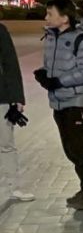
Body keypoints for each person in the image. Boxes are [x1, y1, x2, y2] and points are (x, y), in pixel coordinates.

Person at [35, 0, 83, 212]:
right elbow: (52, 65)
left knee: (79, 148)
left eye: (50, 14)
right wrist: (45, 76)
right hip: (59, 101)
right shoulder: (51, 38)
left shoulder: (82, 40)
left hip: (77, 101)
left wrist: (59, 81)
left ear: (64, 17)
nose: (47, 18)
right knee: (70, 149)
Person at [0, 21, 34, 205]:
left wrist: (17, 97)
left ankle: (13, 187)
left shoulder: (0, 30)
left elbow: (10, 64)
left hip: (2, 97)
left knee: (6, 144)